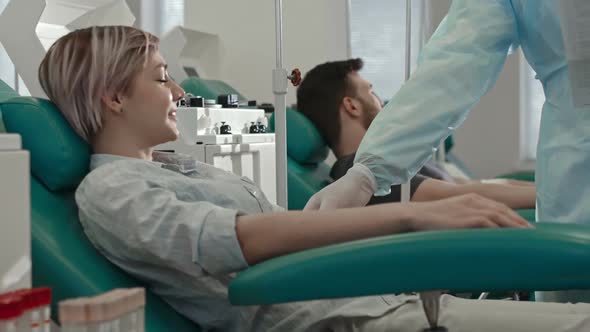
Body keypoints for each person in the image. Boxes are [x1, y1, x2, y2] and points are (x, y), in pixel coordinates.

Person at [38, 25, 590, 332]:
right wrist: (409, 212)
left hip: (368, 300)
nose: (182, 95)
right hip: (338, 317)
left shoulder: (184, 166)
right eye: (162, 79)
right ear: (113, 96)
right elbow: (238, 241)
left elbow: (270, 227)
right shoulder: (110, 191)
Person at [297, 58, 535, 209]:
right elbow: (463, 196)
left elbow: (477, 185)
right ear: (352, 106)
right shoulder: (361, 172)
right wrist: (554, 200)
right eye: (372, 92)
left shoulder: (391, 161)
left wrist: (549, 190)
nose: (381, 102)